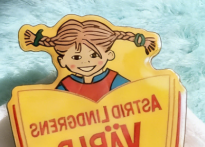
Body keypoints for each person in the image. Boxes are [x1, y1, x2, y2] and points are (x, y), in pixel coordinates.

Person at [24, 19, 155, 102]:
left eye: (93, 56)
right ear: (62, 61)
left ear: (109, 55)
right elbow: (55, 107)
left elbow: (134, 99)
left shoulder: (114, 80)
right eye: (76, 58)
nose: (85, 62)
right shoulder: (66, 85)